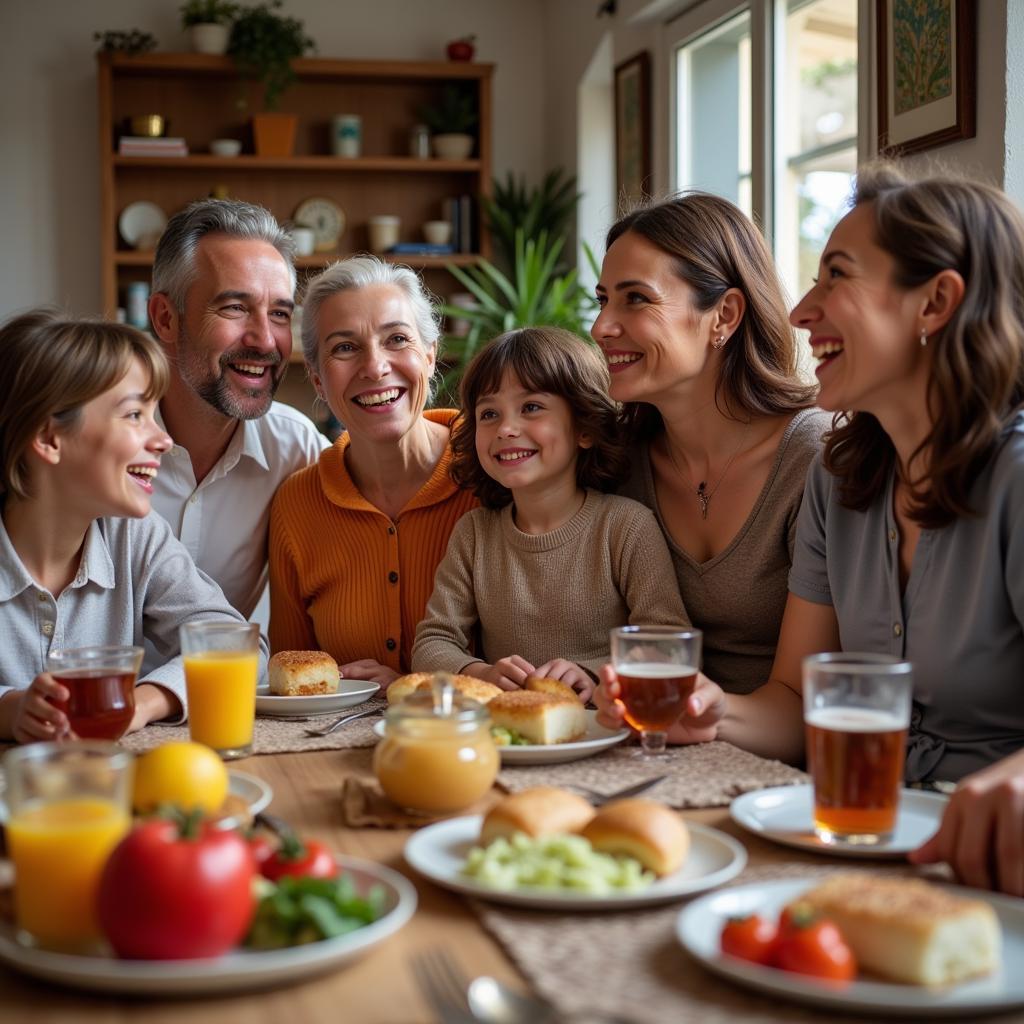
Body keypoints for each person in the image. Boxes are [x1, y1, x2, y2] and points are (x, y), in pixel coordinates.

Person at [635, 165, 1024, 895]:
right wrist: (714, 711)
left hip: (989, 865)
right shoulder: (841, 480)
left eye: (835, 277)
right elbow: (791, 705)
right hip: (854, 837)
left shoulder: (1015, 480)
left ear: (935, 302)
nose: (802, 311)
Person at [591, 192, 829, 695]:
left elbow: (802, 704)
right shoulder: (615, 460)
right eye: (603, 299)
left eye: (635, 298)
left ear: (724, 316)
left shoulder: (813, 457)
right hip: (647, 735)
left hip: (779, 757)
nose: (601, 327)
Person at [0, 311, 261, 743]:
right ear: (49, 439)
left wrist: (140, 703)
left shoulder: (133, 538)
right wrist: (10, 709)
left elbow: (236, 643)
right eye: (135, 415)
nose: (163, 440)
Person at [411, 327, 689, 700]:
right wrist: (481, 673)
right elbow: (432, 643)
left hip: (605, 730)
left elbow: (669, 645)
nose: (506, 429)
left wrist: (593, 673)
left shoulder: (625, 526)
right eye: (489, 413)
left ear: (585, 428)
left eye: (531, 408)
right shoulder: (475, 533)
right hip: (512, 732)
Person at [268, 256, 478, 687]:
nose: (375, 366)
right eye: (344, 348)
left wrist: (405, 685)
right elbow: (293, 678)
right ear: (317, 379)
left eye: (397, 339)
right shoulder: (297, 503)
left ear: (431, 356)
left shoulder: (496, 471)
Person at [148, 198, 329, 620]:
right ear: (165, 318)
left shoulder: (296, 449)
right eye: (234, 308)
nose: (266, 341)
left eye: (280, 313)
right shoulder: (94, 443)